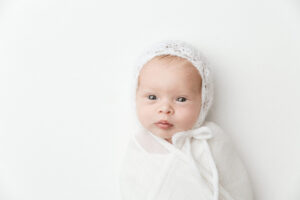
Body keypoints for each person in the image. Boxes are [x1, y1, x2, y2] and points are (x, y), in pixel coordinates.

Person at [119, 40, 254, 200]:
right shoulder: (140, 145)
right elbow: (130, 189)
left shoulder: (210, 140)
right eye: (152, 97)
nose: (165, 109)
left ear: (203, 102)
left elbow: (237, 185)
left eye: (181, 99)